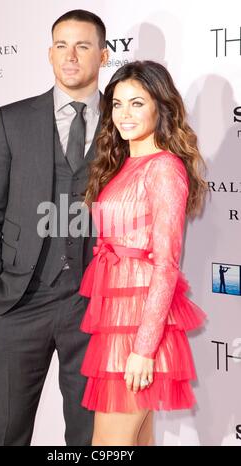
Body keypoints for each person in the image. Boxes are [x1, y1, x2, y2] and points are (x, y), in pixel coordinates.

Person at [0, 9, 109, 446]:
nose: (71, 56)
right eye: (62, 46)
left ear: (103, 56)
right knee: (7, 433)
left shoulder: (124, 124)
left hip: (91, 306)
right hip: (17, 301)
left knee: (88, 438)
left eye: (83, 46)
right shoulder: (11, 119)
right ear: (49, 54)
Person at [79, 60, 207, 446]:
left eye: (137, 103)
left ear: (159, 106)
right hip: (115, 328)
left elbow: (166, 266)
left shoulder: (164, 169)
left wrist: (143, 350)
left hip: (138, 332)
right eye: (117, 104)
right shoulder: (122, 164)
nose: (124, 114)